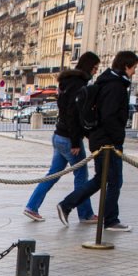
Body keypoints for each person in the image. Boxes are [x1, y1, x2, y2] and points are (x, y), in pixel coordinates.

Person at [57, 50, 138, 232]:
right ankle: (110, 220)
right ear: (126, 66)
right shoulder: (115, 86)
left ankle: (66, 205)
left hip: (99, 139)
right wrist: (117, 138)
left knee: (100, 179)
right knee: (115, 181)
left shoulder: (107, 81)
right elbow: (109, 116)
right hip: (107, 142)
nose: (134, 72)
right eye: (133, 67)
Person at [23, 52, 100, 223]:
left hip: (59, 135)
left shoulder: (66, 82)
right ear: (88, 66)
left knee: (53, 174)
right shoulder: (79, 84)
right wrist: (76, 141)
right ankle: (85, 214)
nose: (95, 71)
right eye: (95, 68)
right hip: (69, 138)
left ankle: (32, 206)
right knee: (81, 176)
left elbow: (65, 111)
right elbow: (73, 114)